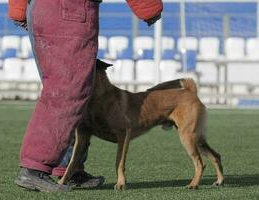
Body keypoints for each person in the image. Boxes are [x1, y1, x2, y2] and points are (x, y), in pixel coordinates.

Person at [9, 0, 163, 192]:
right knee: (66, 94)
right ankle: (34, 169)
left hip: (41, 10)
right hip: (70, 13)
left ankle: (68, 169)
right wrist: (149, 8)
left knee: (65, 92)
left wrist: (19, 9)